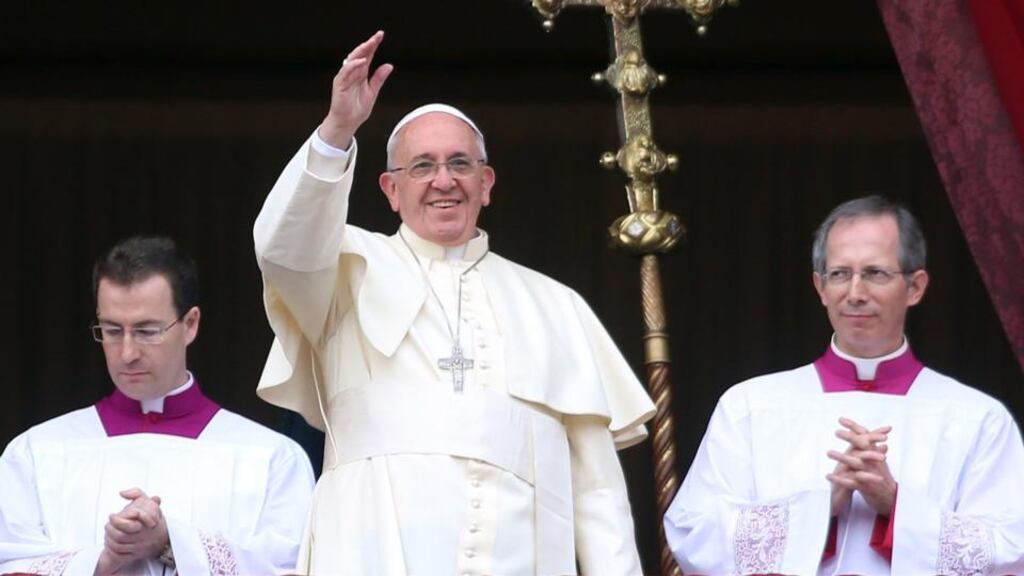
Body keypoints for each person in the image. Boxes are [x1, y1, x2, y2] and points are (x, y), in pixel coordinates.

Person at [253, 31, 656, 576]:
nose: (443, 180)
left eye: (459, 164)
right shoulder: (344, 270)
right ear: (390, 190)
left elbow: (598, 493)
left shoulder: (556, 306)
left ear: (485, 183)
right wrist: (337, 132)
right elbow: (282, 247)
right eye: (421, 166)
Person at [664, 195, 1024, 575]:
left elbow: (1012, 549)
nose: (855, 293)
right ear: (820, 287)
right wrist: (819, 507)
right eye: (839, 274)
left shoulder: (977, 418)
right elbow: (693, 533)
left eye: (875, 273)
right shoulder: (749, 406)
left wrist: (896, 507)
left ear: (915, 287)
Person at [0, 236, 315, 576]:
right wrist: (103, 561)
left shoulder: (272, 459)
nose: (127, 353)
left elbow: (290, 568)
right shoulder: (35, 453)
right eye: (112, 330)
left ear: (190, 324)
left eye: (147, 331)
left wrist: (172, 542)